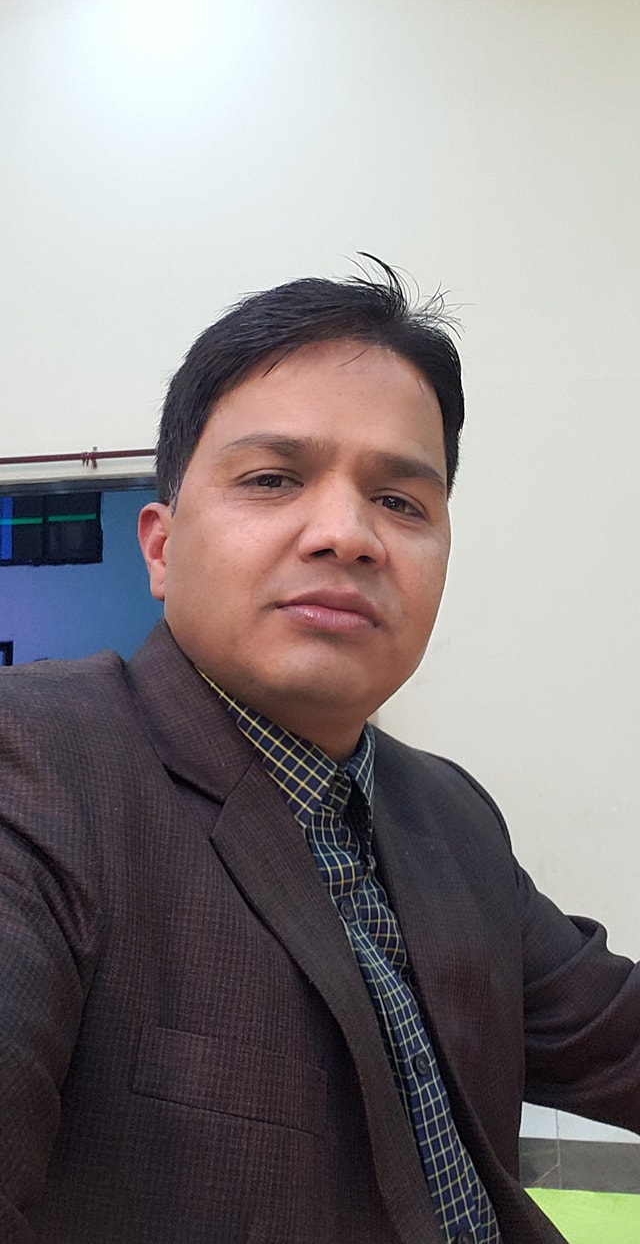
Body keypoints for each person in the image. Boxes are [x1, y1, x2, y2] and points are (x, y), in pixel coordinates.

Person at [1, 259, 638, 1244]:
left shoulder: (449, 811)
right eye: (272, 479)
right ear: (161, 547)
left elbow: (615, 1036)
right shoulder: (38, 767)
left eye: (401, 501)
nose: (347, 534)